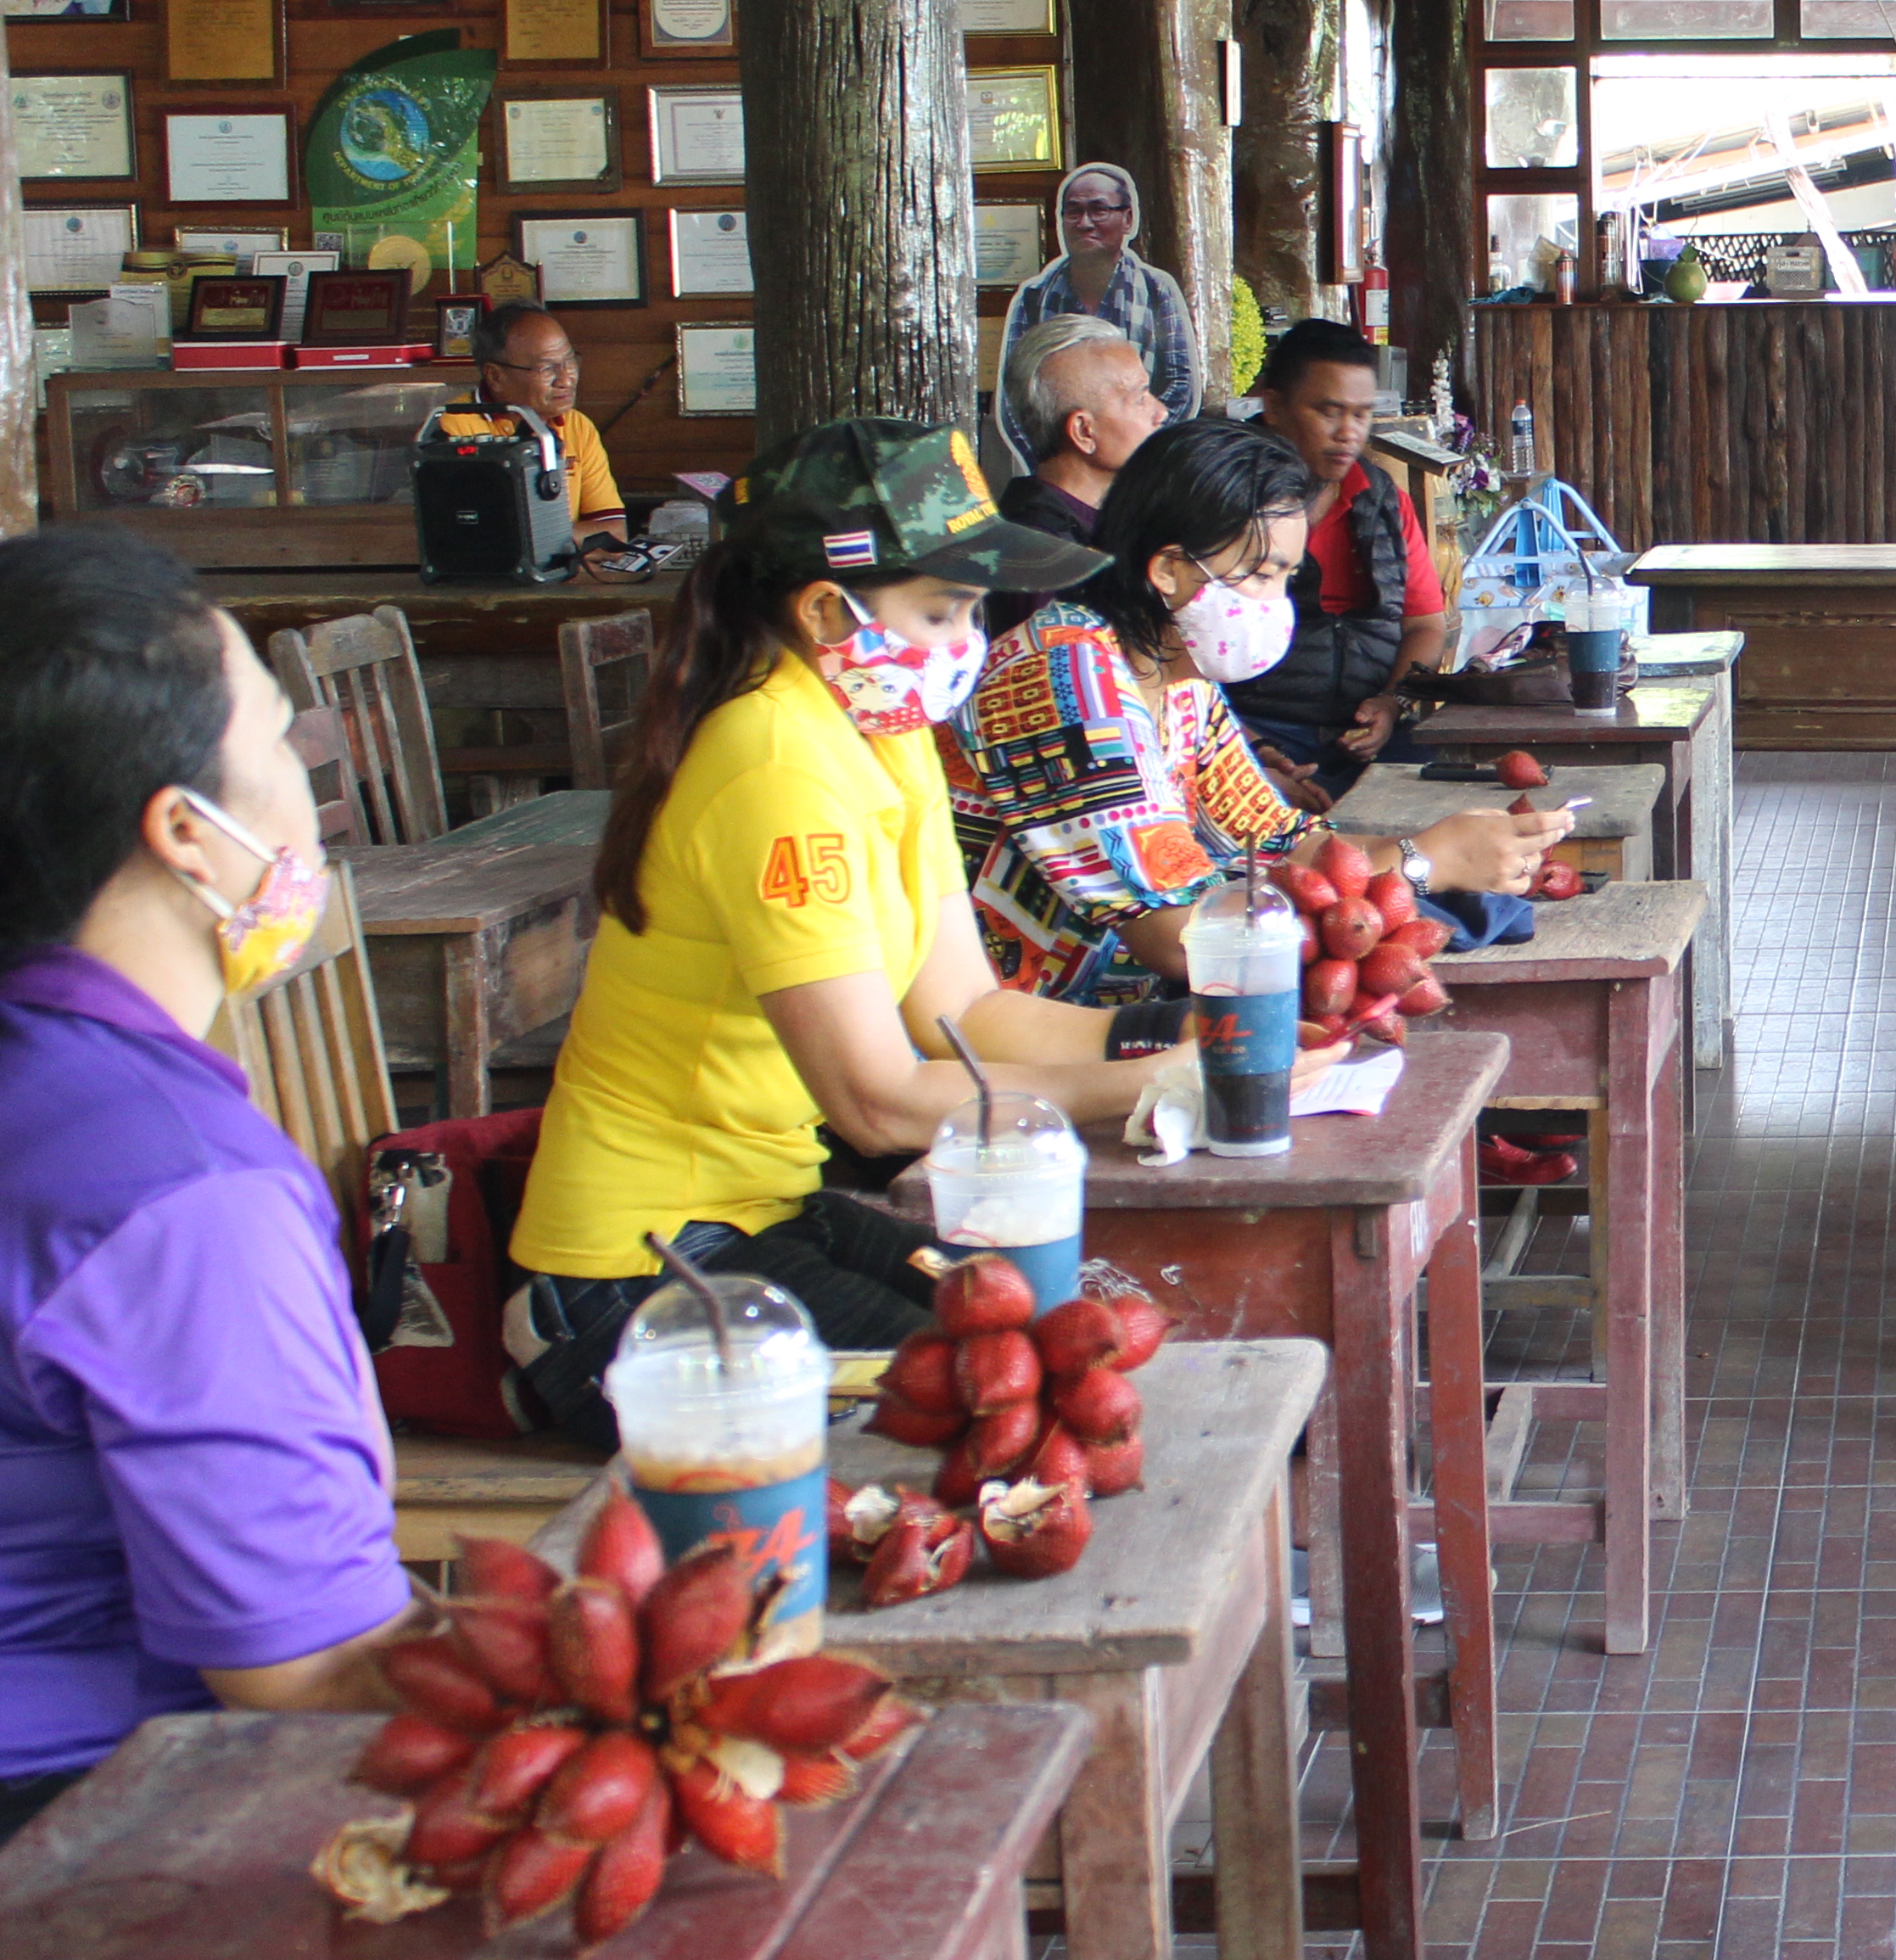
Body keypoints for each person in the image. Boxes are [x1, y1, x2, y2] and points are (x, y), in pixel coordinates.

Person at [506, 421, 1178, 1444]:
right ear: (826, 608)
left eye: (974, 611)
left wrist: (1185, 1036)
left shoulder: (882, 729)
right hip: (639, 1279)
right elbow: (876, 1102)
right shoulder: (774, 758)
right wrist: (1149, 1090)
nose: (968, 642)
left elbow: (967, 1012)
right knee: (1025, 1418)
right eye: (943, 610)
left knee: (1071, 1361)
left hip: (765, 1213)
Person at [0, 533, 428, 1846]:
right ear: (188, 832)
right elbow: (306, 1671)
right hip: (87, 1828)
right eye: (283, 743)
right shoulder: (184, 1195)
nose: (304, 786)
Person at [954, 417, 1565, 1003]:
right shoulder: (1066, 678)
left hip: (1120, 1015)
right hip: (1025, 1037)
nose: (1278, 602)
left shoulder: (1177, 679)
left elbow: (1283, 845)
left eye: (1286, 576)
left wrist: (1457, 844)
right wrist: (1428, 860)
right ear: (1168, 568)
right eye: (1261, 573)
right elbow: (1177, 939)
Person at [1228, 322, 1456, 806]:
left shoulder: (1383, 501)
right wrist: (1247, 747)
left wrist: (1392, 704)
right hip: (1255, 730)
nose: (1348, 433)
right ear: (1273, 406)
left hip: (1369, 733)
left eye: (1361, 414)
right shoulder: (1223, 501)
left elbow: (1425, 624)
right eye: (1328, 412)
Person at [994, 162, 1201, 459]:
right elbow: (1013, 398)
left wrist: (1138, 456)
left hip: (1141, 466)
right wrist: (1057, 463)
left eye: (1099, 210)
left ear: (1127, 219)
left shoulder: (1157, 289)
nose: (1085, 223)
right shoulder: (1034, 297)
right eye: (1074, 212)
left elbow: (1181, 385)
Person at [987, 313, 1167, 636]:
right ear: (1084, 431)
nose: (1160, 412)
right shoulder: (1042, 558)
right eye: (1140, 399)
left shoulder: (1115, 518)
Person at [462, 302, 626, 546]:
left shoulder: (578, 426)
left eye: (570, 362)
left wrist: (537, 541)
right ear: (495, 376)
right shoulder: (454, 429)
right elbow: (480, 537)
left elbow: (614, 532)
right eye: (547, 368)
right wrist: (573, 539)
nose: (566, 379)